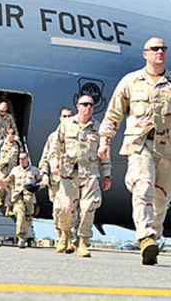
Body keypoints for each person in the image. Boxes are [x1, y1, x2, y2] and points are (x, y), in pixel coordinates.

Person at [98, 37, 171, 265]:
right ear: (145, 53)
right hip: (140, 144)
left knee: (161, 196)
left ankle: (153, 238)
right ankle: (145, 236)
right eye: (155, 49)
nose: (160, 52)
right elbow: (114, 114)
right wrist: (105, 140)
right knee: (142, 186)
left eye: (163, 49)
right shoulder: (131, 82)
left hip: (169, 147)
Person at [50, 95, 111, 258]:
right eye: (84, 104)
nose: (88, 107)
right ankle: (65, 234)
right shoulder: (66, 125)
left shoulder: (99, 128)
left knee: (88, 208)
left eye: (91, 105)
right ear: (78, 106)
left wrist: (107, 175)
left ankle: (83, 242)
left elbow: (105, 154)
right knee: (65, 207)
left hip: (90, 173)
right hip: (68, 173)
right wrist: (54, 163)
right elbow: (55, 147)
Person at [38, 107, 74, 239]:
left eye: (69, 116)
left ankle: (70, 238)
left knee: (71, 209)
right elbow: (45, 159)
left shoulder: (78, 137)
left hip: (72, 180)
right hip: (56, 181)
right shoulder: (53, 138)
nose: (67, 119)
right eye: (64, 116)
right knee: (58, 210)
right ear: (60, 118)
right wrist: (45, 175)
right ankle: (61, 237)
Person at [4, 152, 42, 248]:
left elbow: (42, 181)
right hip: (18, 197)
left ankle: (25, 235)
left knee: (28, 218)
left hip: (29, 198)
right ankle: (21, 237)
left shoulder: (34, 170)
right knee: (20, 214)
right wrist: (3, 184)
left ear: (27, 159)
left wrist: (37, 187)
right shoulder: (15, 170)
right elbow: (8, 179)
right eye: (20, 159)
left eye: (23, 158)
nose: (21, 160)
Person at [0, 128, 23, 214]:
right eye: (10, 134)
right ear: (7, 135)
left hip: (13, 169)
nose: (11, 135)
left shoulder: (18, 145)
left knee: (11, 188)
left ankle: (9, 208)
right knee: (1, 186)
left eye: (13, 134)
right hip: (3, 169)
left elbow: (21, 155)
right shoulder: (1, 144)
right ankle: (0, 200)